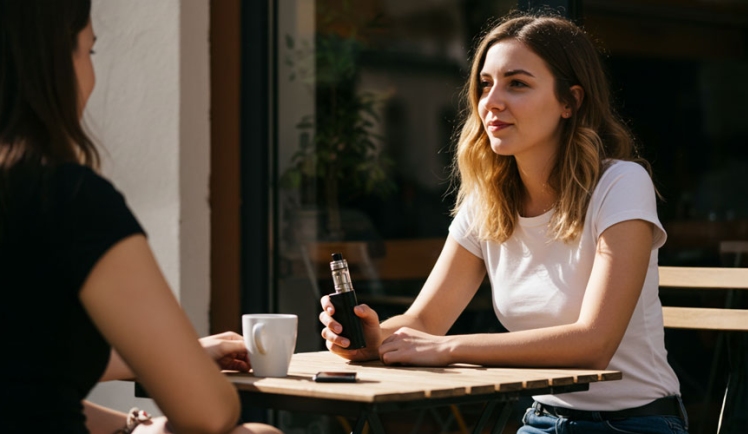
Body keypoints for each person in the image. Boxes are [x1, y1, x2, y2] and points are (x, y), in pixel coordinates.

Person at [319, 11, 689, 434]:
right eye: (486, 84)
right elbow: (424, 323)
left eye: (517, 84)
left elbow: (594, 345)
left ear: (571, 101)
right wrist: (373, 338)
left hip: (634, 424)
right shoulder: (489, 199)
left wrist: (448, 349)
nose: (492, 101)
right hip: (541, 423)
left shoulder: (620, 184)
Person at [0, 1, 281, 433]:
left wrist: (139, 414)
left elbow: (24, 373)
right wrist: (187, 372)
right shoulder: (65, 198)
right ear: (51, 62)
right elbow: (208, 413)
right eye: (88, 53)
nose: (91, 76)